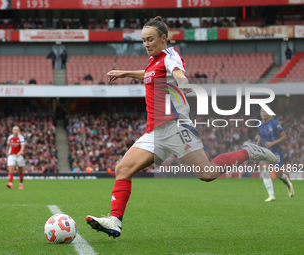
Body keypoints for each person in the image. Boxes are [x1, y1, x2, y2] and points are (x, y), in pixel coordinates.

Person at [85, 16, 278, 239]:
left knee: (206, 174)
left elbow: (177, 72)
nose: (146, 44)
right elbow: (149, 74)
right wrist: (125, 73)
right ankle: (115, 220)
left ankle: (249, 151)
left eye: (150, 39)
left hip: (176, 127)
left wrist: (184, 83)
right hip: (155, 132)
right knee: (123, 169)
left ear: (163, 38)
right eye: (143, 40)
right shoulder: (152, 61)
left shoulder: (170, 55)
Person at [257, 108, 294, 202]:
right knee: (265, 172)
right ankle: (271, 196)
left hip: (276, 151)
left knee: (279, 175)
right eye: (262, 111)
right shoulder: (260, 124)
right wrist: (257, 145)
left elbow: (284, 137)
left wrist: (272, 143)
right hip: (265, 151)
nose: (263, 113)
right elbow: (260, 137)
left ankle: (288, 184)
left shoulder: (275, 124)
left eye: (265, 111)